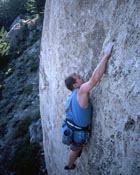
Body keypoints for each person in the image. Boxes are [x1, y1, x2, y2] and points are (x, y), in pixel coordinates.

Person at [64, 42, 114, 170]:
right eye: (79, 78)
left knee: (75, 148)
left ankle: (71, 161)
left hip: (72, 125)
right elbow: (95, 78)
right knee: (75, 149)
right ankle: (69, 165)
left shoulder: (72, 94)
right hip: (78, 131)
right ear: (75, 85)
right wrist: (106, 55)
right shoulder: (81, 91)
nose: (82, 78)